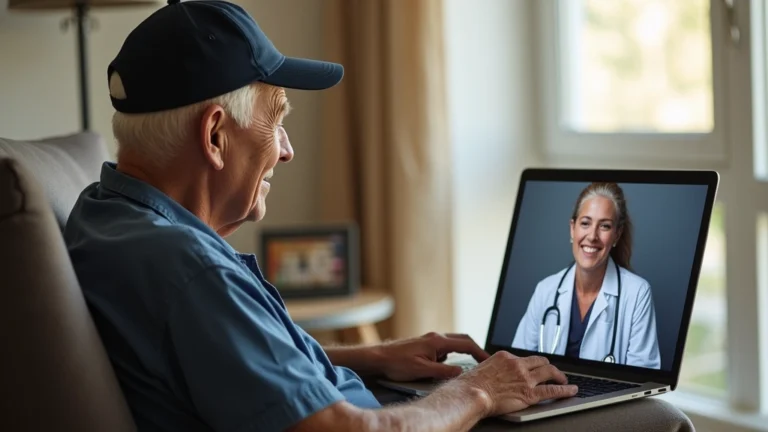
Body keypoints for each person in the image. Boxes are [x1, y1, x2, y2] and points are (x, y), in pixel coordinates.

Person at [62, 1, 578, 431]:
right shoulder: (193, 270)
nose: (286, 150)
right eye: (276, 117)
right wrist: (480, 390)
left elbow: (214, 362)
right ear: (215, 136)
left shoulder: (103, 213)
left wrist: (371, 356)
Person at [511, 183, 661, 369]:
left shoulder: (637, 293)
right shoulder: (546, 289)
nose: (592, 236)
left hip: (609, 398)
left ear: (616, 235)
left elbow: (643, 374)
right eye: (585, 223)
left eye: (604, 226)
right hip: (547, 396)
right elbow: (517, 365)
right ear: (572, 229)